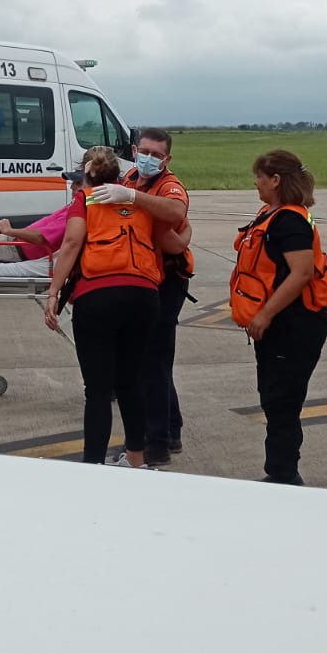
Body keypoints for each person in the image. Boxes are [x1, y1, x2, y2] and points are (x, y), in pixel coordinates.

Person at [43, 146, 163, 467]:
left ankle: (94, 465)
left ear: (86, 174)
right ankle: (136, 459)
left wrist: (54, 292)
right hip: (143, 296)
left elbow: (72, 243)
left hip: (98, 296)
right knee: (130, 381)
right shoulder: (138, 200)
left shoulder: (86, 200)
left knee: (97, 389)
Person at [229, 151, 327, 486]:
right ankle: (280, 471)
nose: (255, 182)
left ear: (275, 180)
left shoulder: (290, 221)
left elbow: (301, 273)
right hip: (279, 325)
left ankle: (284, 475)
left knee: (283, 403)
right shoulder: (270, 214)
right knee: (274, 398)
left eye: (260, 176)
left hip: (295, 325)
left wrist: (264, 315)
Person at [123, 128, 194, 467]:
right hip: (145, 276)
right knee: (155, 362)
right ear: (134, 150)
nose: (149, 158)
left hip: (167, 280)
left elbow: (175, 212)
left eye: (157, 154)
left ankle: (157, 444)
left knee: (153, 361)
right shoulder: (130, 177)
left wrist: (133, 199)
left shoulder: (169, 185)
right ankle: (171, 428)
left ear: (167, 159)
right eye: (145, 151)